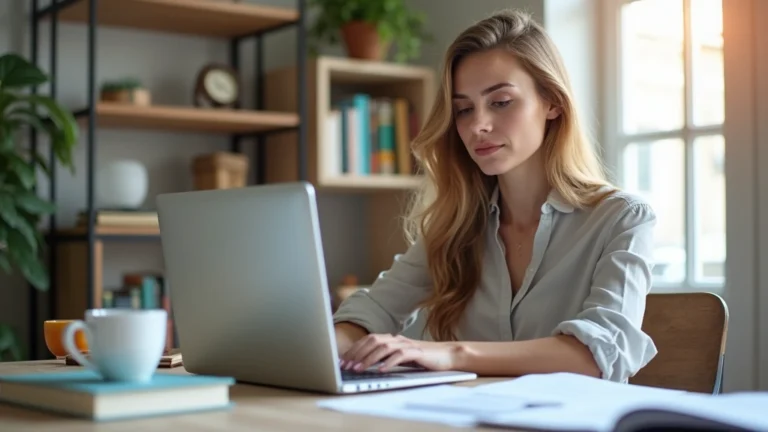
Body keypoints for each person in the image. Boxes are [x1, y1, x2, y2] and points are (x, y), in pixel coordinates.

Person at [332, 8, 658, 383]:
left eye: (500, 102)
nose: (478, 126)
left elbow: (596, 354)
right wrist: (328, 346)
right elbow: (371, 311)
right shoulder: (455, 225)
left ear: (552, 102)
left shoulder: (622, 219)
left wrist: (451, 353)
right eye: (463, 109)